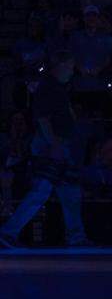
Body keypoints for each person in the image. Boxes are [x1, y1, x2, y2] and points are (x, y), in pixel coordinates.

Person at [0, 51, 91, 249]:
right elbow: (43, 118)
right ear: (60, 64)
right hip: (52, 146)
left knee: (70, 193)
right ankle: (8, 232)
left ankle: (76, 236)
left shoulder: (55, 87)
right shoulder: (49, 87)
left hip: (58, 145)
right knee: (43, 191)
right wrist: (54, 144)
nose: (71, 71)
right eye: (69, 66)